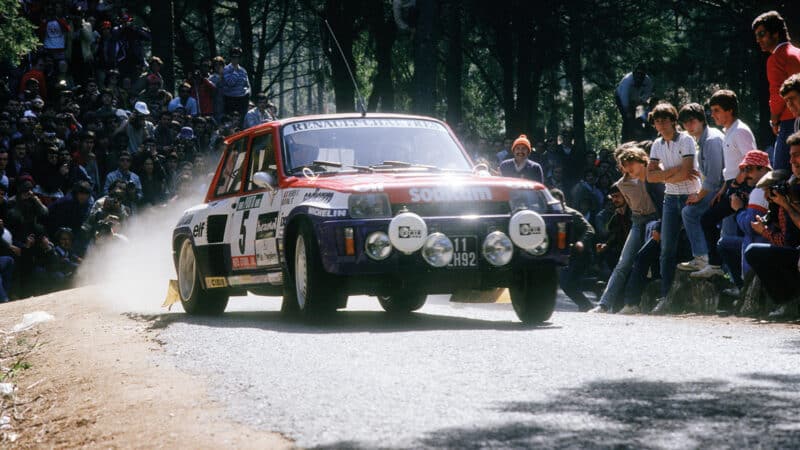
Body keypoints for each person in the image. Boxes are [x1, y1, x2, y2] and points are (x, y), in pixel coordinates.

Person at [689, 90, 757, 279]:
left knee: (711, 222)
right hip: (731, 186)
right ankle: (720, 268)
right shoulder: (729, 130)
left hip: (745, 189)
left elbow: (752, 161)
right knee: (710, 221)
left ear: (730, 110)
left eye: (717, 110)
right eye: (712, 110)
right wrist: (724, 189)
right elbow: (733, 166)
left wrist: (736, 186)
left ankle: (724, 270)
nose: (713, 115)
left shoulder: (740, 130)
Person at [590, 145, 662, 314]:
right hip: (638, 222)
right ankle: (604, 304)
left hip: (656, 219)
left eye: (631, 163)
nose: (628, 168)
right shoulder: (622, 184)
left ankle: (641, 302)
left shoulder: (653, 176)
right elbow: (630, 206)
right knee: (623, 263)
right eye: (625, 164)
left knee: (647, 260)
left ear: (642, 160)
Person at [644, 103, 701, 314]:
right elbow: (650, 177)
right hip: (670, 197)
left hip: (690, 195)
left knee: (697, 245)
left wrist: (666, 173)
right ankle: (665, 296)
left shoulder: (686, 139)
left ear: (673, 121)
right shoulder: (656, 144)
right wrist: (675, 171)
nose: (661, 124)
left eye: (664, 119)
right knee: (667, 249)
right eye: (657, 121)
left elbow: (687, 173)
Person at [744, 133, 800, 317]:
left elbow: (785, 241)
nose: (792, 160)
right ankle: (789, 301)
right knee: (752, 251)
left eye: (797, 155)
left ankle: (790, 300)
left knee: (756, 251)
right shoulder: (792, 188)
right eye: (791, 157)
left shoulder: (786, 200)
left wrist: (785, 206)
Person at [675, 103, 724, 273]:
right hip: (718, 189)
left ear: (702, 120)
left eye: (692, 121)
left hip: (723, 191)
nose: (689, 126)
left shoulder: (711, 140)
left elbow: (714, 179)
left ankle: (702, 258)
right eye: (685, 123)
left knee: (689, 212)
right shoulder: (703, 139)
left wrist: (698, 196)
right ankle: (704, 257)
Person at [717, 151, 772, 294]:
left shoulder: (759, 191)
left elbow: (750, 226)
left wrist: (739, 209)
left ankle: (743, 288)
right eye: (743, 170)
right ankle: (743, 287)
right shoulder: (764, 188)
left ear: (763, 168)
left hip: (761, 243)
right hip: (767, 242)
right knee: (724, 243)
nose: (746, 174)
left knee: (724, 244)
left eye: (750, 169)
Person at [752, 11, 800, 171]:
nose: (758, 40)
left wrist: (774, 121)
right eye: (757, 35)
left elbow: (777, 95)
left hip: (788, 122)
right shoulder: (798, 53)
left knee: (780, 171)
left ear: (776, 33)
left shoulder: (776, 58)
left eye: (762, 34)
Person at [550, 188, 596, 312]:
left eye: (556, 201)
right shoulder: (550, 216)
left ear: (563, 202)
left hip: (581, 255)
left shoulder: (572, 214)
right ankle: (588, 300)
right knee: (568, 283)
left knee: (567, 284)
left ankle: (587, 304)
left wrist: (581, 242)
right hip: (566, 255)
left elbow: (590, 229)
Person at [615, 64, 653, 142]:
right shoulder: (627, 81)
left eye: (641, 74)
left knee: (641, 118)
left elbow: (647, 94)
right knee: (627, 119)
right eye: (637, 74)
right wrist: (628, 112)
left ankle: (641, 137)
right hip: (621, 98)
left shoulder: (648, 81)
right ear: (634, 73)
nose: (639, 76)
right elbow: (624, 99)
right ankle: (626, 139)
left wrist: (641, 101)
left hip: (637, 100)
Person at [221, 47, 251, 125]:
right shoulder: (226, 69)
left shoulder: (243, 70)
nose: (235, 59)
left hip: (242, 99)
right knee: (230, 121)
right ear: (230, 57)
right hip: (230, 99)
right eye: (233, 57)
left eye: (238, 57)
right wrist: (235, 71)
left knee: (241, 121)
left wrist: (247, 94)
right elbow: (230, 83)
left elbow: (247, 84)